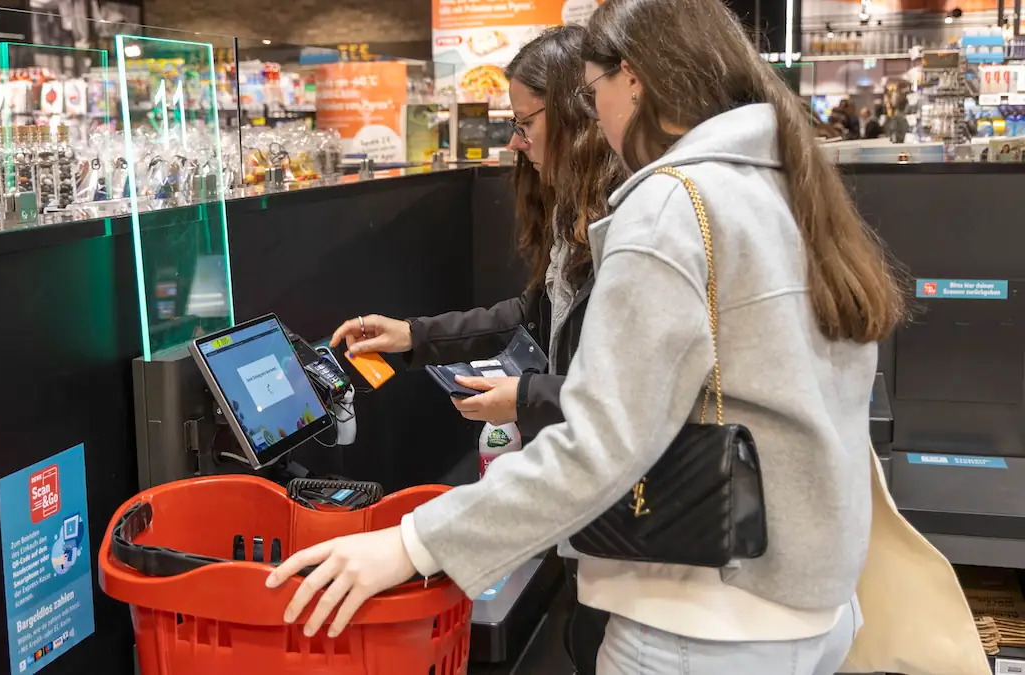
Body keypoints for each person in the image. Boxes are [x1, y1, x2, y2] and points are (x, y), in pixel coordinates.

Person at [268, 2, 905, 674]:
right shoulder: (784, 181)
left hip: (702, 620)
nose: (595, 116)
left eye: (593, 90)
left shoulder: (672, 205)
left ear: (633, 79)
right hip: (809, 606)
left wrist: (411, 544)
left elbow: (601, 441)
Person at [324, 26, 623, 672]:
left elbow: (628, 404)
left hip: (638, 557)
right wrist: (415, 338)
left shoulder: (635, 229)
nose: (517, 141)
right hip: (602, 550)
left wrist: (528, 397)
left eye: (526, 123)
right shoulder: (578, 221)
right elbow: (530, 315)